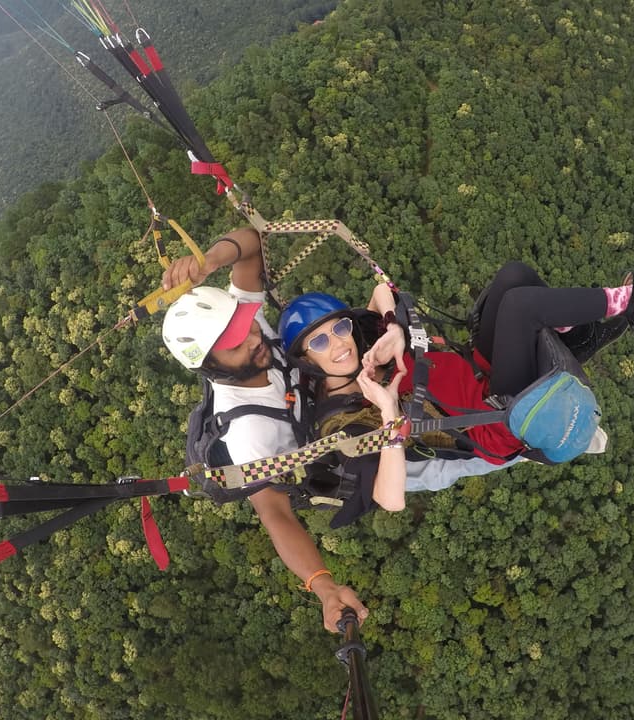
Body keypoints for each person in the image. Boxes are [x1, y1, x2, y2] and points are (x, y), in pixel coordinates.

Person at [159, 227, 504, 632]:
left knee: (471, 383)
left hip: (359, 393)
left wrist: (209, 262)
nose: (255, 337)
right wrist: (323, 586)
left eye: (247, 325)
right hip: (373, 454)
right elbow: (275, 515)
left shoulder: (250, 335)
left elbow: (250, 244)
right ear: (210, 366)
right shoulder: (247, 432)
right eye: (237, 343)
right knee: (486, 445)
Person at [279, 253, 634, 524]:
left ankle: (579, 340)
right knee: (520, 308)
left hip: (474, 373)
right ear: (306, 359)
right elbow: (390, 499)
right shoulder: (343, 422)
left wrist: (394, 330)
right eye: (320, 342)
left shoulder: (364, 348)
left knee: (515, 276)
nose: (338, 344)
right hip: (491, 421)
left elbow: (381, 291)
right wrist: (389, 414)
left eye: (339, 328)